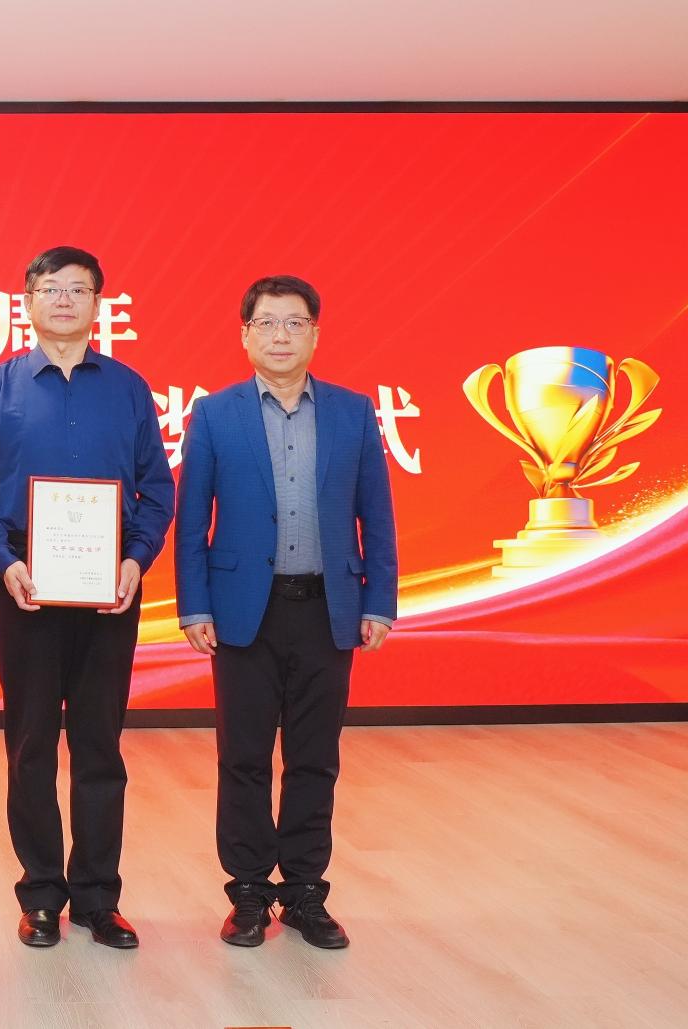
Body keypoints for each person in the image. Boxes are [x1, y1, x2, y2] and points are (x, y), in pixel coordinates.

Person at [0, 246, 174, 949]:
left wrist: (136, 560)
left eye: (78, 289)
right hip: (25, 581)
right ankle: (42, 894)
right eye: (50, 288)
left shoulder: (130, 389)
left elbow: (156, 487)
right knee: (30, 744)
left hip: (109, 582)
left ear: (97, 304)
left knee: (100, 743)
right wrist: (4, 561)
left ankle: (98, 897)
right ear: (27, 301)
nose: (63, 300)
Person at [174, 274, 397, 950]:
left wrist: (379, 600)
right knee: (242, 756)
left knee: (314, 757)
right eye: (266, 323)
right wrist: (194, 605)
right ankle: (247, 892)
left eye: (294, 323)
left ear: (315, 334)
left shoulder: (354, 413)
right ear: (245, 335)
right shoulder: (216, 414)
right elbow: (192, 521)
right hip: (245, 611)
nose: (280, 335)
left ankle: (303, 891)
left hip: (327, 608)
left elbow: (377, 516)